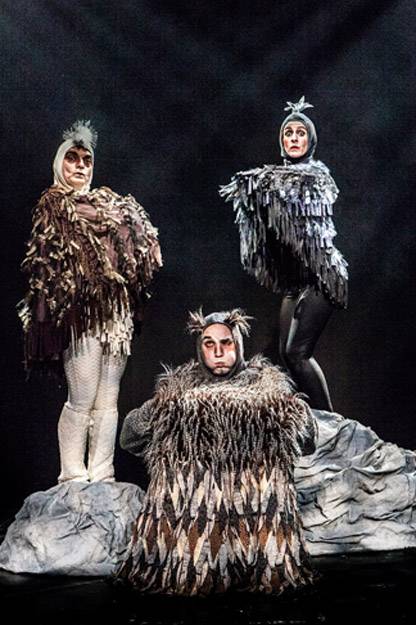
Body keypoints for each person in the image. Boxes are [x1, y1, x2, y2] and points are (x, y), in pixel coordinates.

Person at [116, 308, 316, 595]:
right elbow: (129, 437)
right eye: (209, 344)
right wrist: (162, 412)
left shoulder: (267, 388)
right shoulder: (178, 391)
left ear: (238, 344)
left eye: (226, 343)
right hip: (195, 526)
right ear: (200, 348)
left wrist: (287, 414)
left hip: (255, 526)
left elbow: (307, 440)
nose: (218, 352)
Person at [18, 120, 162, 484]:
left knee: (109, 396)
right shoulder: (53, 206)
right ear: (60, 163)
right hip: (81, 312)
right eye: (73, 158)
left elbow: (140, 246)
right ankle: (72, 474)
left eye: (86, 160)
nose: (80, 166)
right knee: (82, 394)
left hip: (116, 313)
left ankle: (102, 473)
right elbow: (46, 267)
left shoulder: (112, 205)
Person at [219, 97, 348, 411]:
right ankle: (312, 418)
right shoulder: (275, 179)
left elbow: (288, 197)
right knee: (286, 355)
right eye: (288, 133)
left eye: (300, 133)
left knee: (297, 353)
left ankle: (331, 421)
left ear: (310, 140)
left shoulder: (316, 178)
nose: (294, 138)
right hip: (295, 282)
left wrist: (258, 184)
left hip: (322, 277)